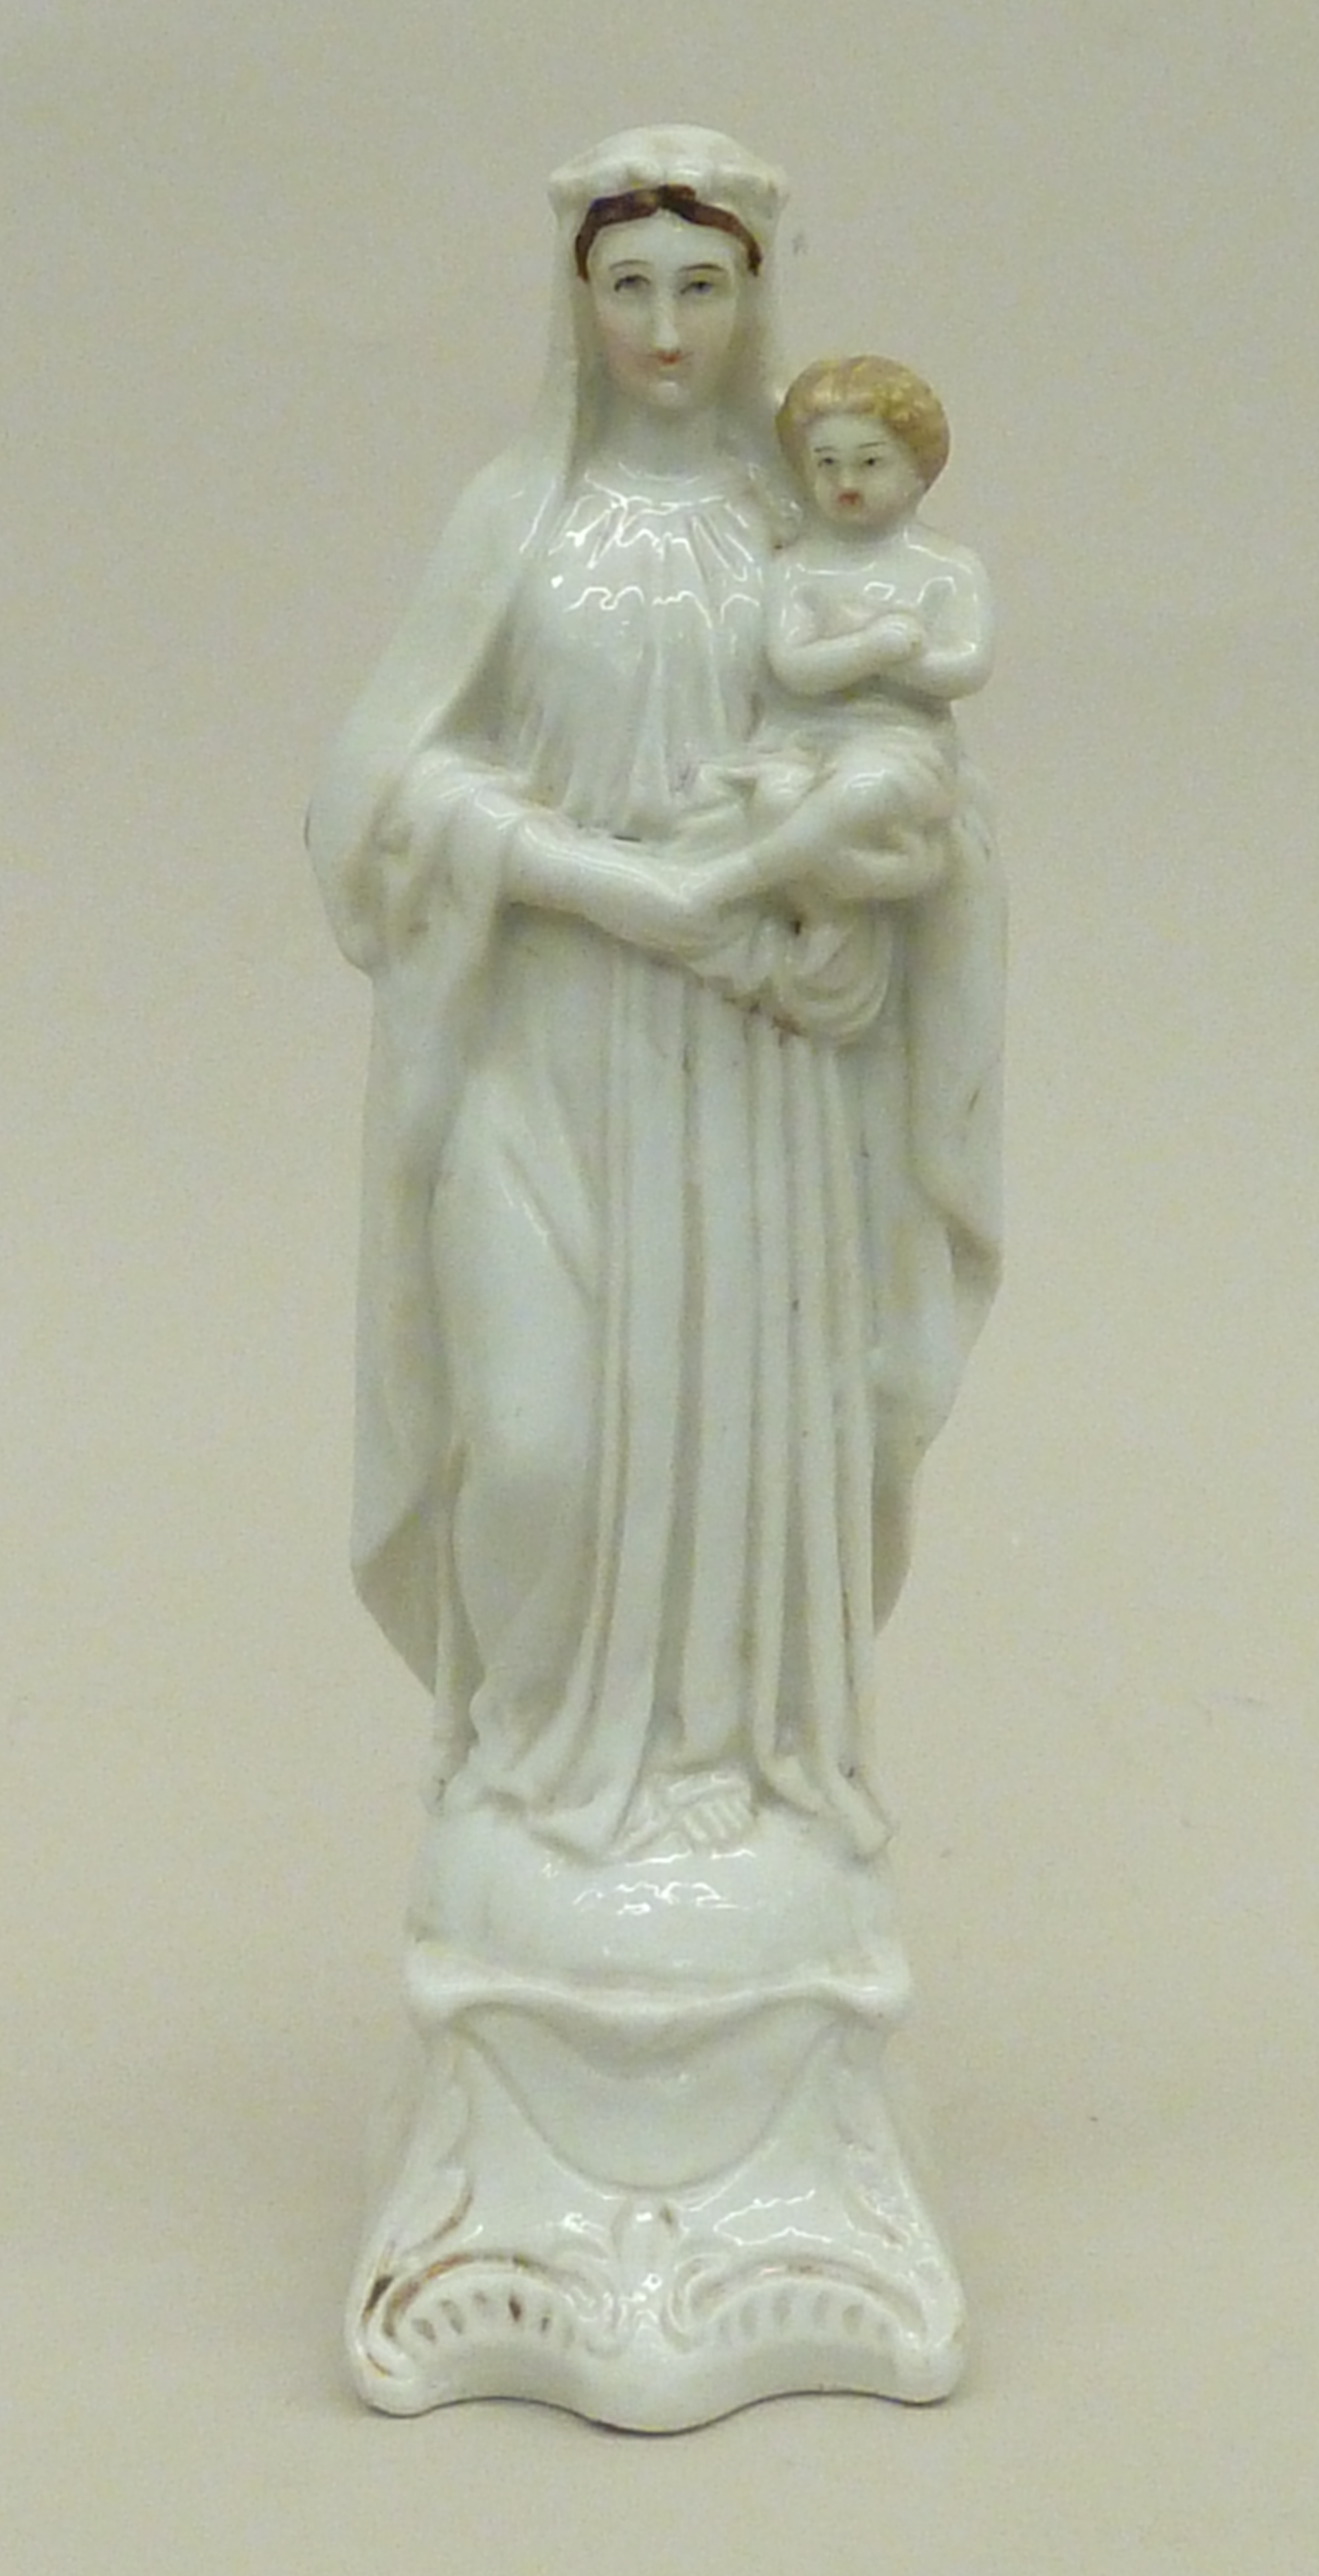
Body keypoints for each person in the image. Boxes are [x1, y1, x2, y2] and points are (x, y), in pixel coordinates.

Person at [307, 127, 1004, 1864]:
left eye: (702, 287)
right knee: (534, 1439)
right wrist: (622, 885)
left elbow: (912, 781)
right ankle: (533, 1765)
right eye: (630, 287)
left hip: (746, 1057)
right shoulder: (516, 518)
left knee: (732, 1442)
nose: (668, 329)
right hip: (542, 1033)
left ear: (756, 299)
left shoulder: (813, 521)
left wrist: (851, 912)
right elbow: (383, 801)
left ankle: (721, 1764)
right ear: (579, 301)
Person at [685, 354, 993, 926]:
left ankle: (727, 882)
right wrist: (873, 647)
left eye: (869, 463)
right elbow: (794, 667)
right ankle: (842, 911)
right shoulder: (798, 568)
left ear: (918, 467)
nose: (846, 483)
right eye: (826, 465)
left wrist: (902, 661)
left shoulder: (949, 568)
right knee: (777, 800)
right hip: (803, 738)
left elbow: (967, 668)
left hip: (900, 740)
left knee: (862, 791)